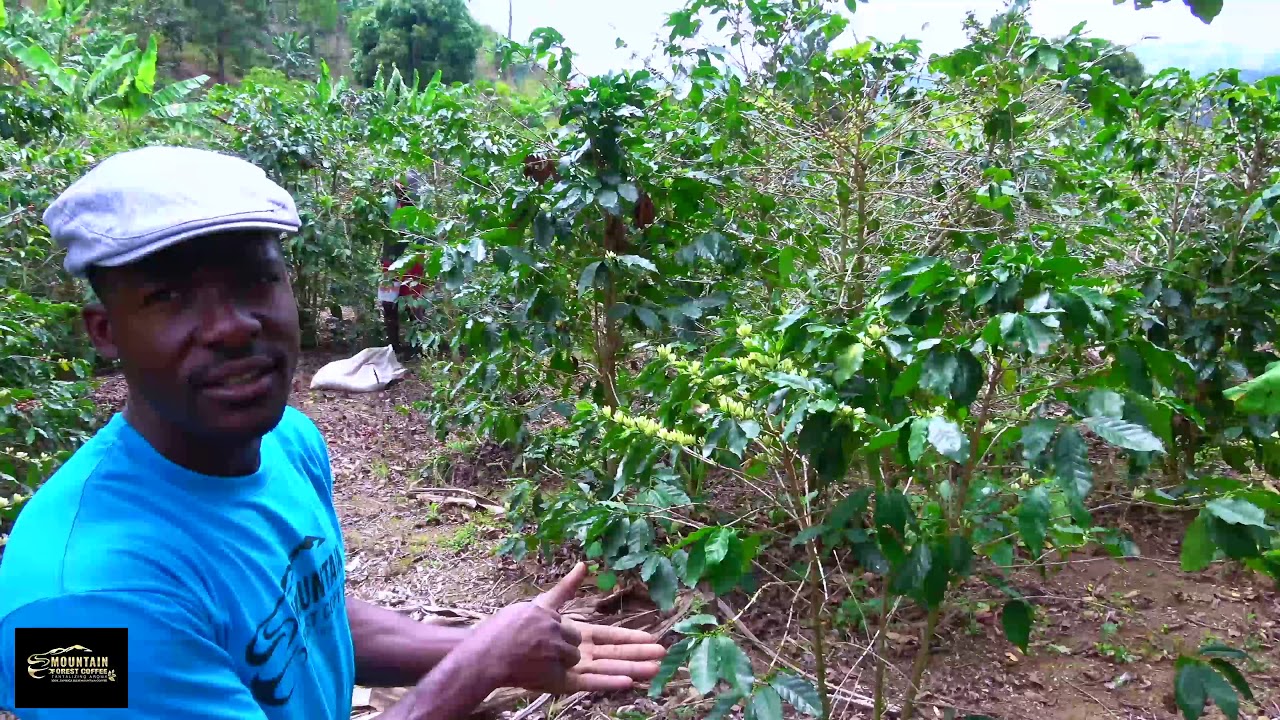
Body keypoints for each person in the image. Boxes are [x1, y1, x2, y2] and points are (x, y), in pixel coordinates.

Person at [0, 146, 665, 718]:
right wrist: (477, 668)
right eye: (168, 296)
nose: (233, 326)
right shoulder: (71, 613)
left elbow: (308, 619)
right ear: (106, 332)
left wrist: (487, 644)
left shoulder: (287, 443)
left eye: (256, 280)